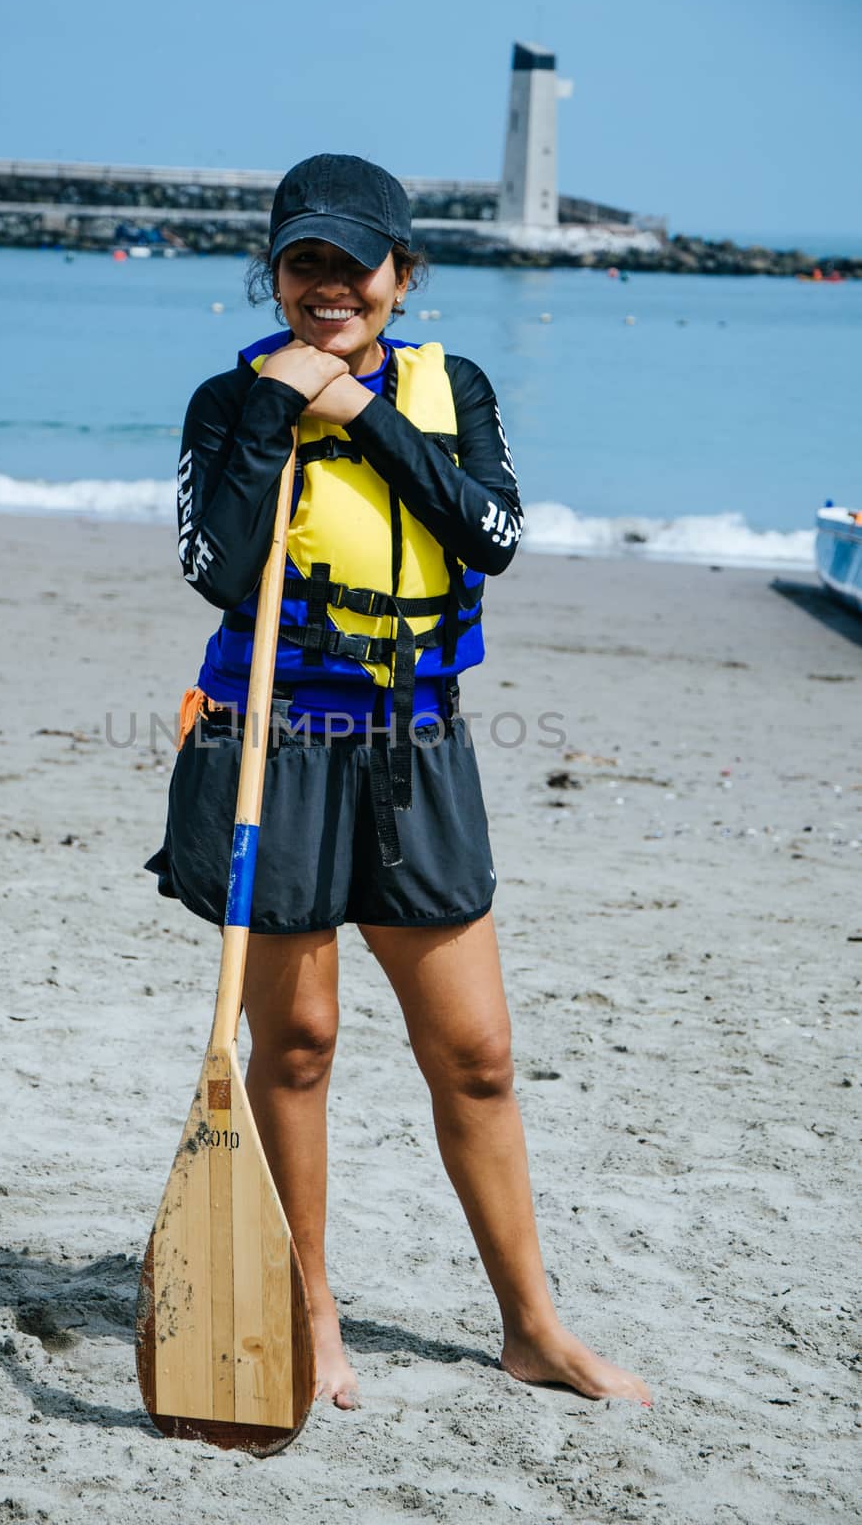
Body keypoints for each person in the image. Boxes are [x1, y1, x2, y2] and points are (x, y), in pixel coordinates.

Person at [147, 154, 651, 1411]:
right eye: (303, 261)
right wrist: (278, 411)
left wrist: (360, 414)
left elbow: (494, 535)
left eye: (354, 264)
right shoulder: (227, 399)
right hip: (273, 743)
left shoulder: (451, 388)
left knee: (475, 1052)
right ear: (272, 273)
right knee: (300, 1043)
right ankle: (310, 1313)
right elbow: (219, 567)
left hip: (418, 750)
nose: (329, 287)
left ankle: (532, 1326)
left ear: (401, 276)